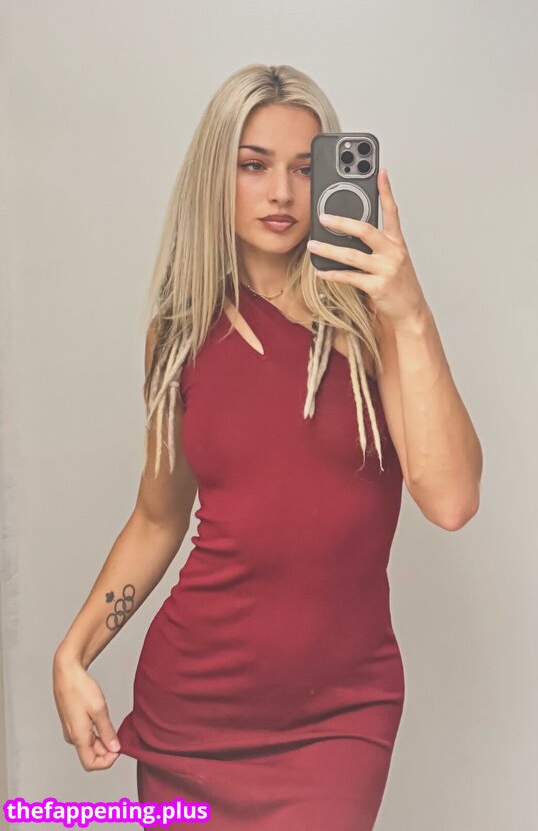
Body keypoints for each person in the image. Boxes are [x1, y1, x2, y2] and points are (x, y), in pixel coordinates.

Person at [52, 62, 481, 829]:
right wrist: (73, 654)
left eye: (306, 169)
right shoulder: (178, 335)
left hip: (341, 714)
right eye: (253, 165)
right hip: (192, 710)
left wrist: (410, 311)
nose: (281, 192)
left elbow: (450, 500)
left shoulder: (374, 324)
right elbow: (157, 517)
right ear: (215, 176)